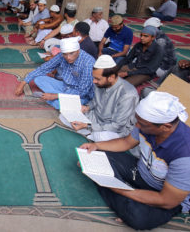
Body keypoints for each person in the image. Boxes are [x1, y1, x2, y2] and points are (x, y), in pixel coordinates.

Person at [79, 91, 190, 230]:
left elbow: (166, 200)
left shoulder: (185, 156)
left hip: (165, 193)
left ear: (165, 126)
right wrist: (96, 146)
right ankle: (125, 201)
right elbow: (126, 143)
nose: (137, 126)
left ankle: (119, 195)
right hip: (139, 172)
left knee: (138, 218)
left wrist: (121, 191)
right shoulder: (147, 126)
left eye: (142, 124)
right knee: (93, 156)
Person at [64, 55, 138, 142]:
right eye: (94, 78)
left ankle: (89, 132)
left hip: (113, 127)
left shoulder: (127, 94)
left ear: (111, 77)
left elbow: (118, 125)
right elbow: (95, 101)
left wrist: (87, 125)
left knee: (100, 137)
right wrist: (87, 107)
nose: (94, 81)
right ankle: (89, 132)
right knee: (66, 114)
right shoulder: (100, 84)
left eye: (97, 79)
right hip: (96, 117)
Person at [15, 37, 95, 109]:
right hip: (65, 86)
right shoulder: (62, 56)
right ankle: (59, 98)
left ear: (78, 50)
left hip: (81, 95)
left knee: (58, 104)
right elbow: (44, 68)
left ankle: (56, 99)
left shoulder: (88, 63)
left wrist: (55, 96)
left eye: (71, 53)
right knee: (38, 79)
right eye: (65, 54)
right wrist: (23, 83)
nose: (68, 57)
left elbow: (83, 92)